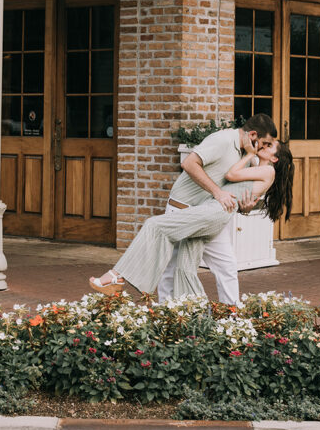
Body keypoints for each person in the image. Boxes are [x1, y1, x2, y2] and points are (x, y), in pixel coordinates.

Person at [88, 139, 294, 300]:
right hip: (211, 210)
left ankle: (116, 276)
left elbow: (231, 174)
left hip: (215, 211)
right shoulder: (256, 165)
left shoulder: (267, 170)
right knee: (185, 267)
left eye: (269, 146)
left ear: (275, 158)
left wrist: (248, 154)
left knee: (155, 225)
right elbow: (243, 192)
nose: (263, 145)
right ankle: (195, 317)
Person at [156, 113, 278, 305]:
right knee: (172, 268)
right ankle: (166, 314)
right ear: (253, 135)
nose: (264, 148)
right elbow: (188, 163)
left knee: (227, 266)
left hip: (212, 216)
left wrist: (245, 208)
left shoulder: (249, 154)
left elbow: (239, 190)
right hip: (183, 210)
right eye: (265, 143)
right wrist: (217, 192)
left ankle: (232, 317)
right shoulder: (222, 139)